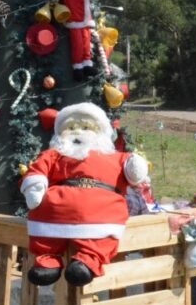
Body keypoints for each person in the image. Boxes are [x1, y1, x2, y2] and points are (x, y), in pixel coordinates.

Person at [20, 102, 148, 287]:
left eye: (86, 128)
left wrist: (136, 165)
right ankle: (47, 260)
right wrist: (35, 186)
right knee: (46, 237)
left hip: (101, 209)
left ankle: (87, 261)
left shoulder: (115, 157)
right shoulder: (54, 155)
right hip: (55, 210)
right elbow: (38, 170)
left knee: (101, 240)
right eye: (71, 128)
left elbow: (133, 171)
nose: (78, 132)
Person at [35, 0, 95, 79]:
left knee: (86, 42)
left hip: (86, 20)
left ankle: (87, 63)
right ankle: (78, 67)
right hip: (74, 20)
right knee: (78, 44)